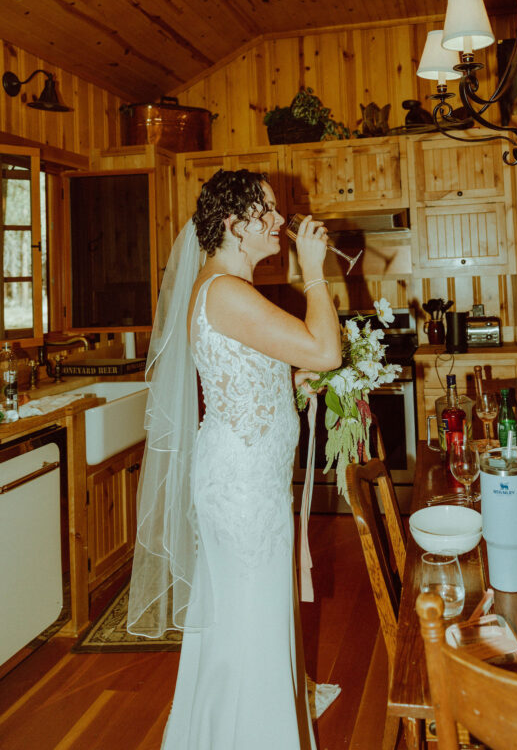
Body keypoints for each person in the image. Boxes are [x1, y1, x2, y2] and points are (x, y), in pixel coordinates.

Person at [127, 168, 341, 749]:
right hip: (244, 488)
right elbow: (326, 350)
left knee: (250, 618)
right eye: (266, 212)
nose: (279, 223)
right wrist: (315, 272)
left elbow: (245, 376)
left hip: (250, 478)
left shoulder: (225, 288)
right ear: (233, 224)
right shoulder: (226, 290)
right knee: (252, 620)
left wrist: (284, 385)